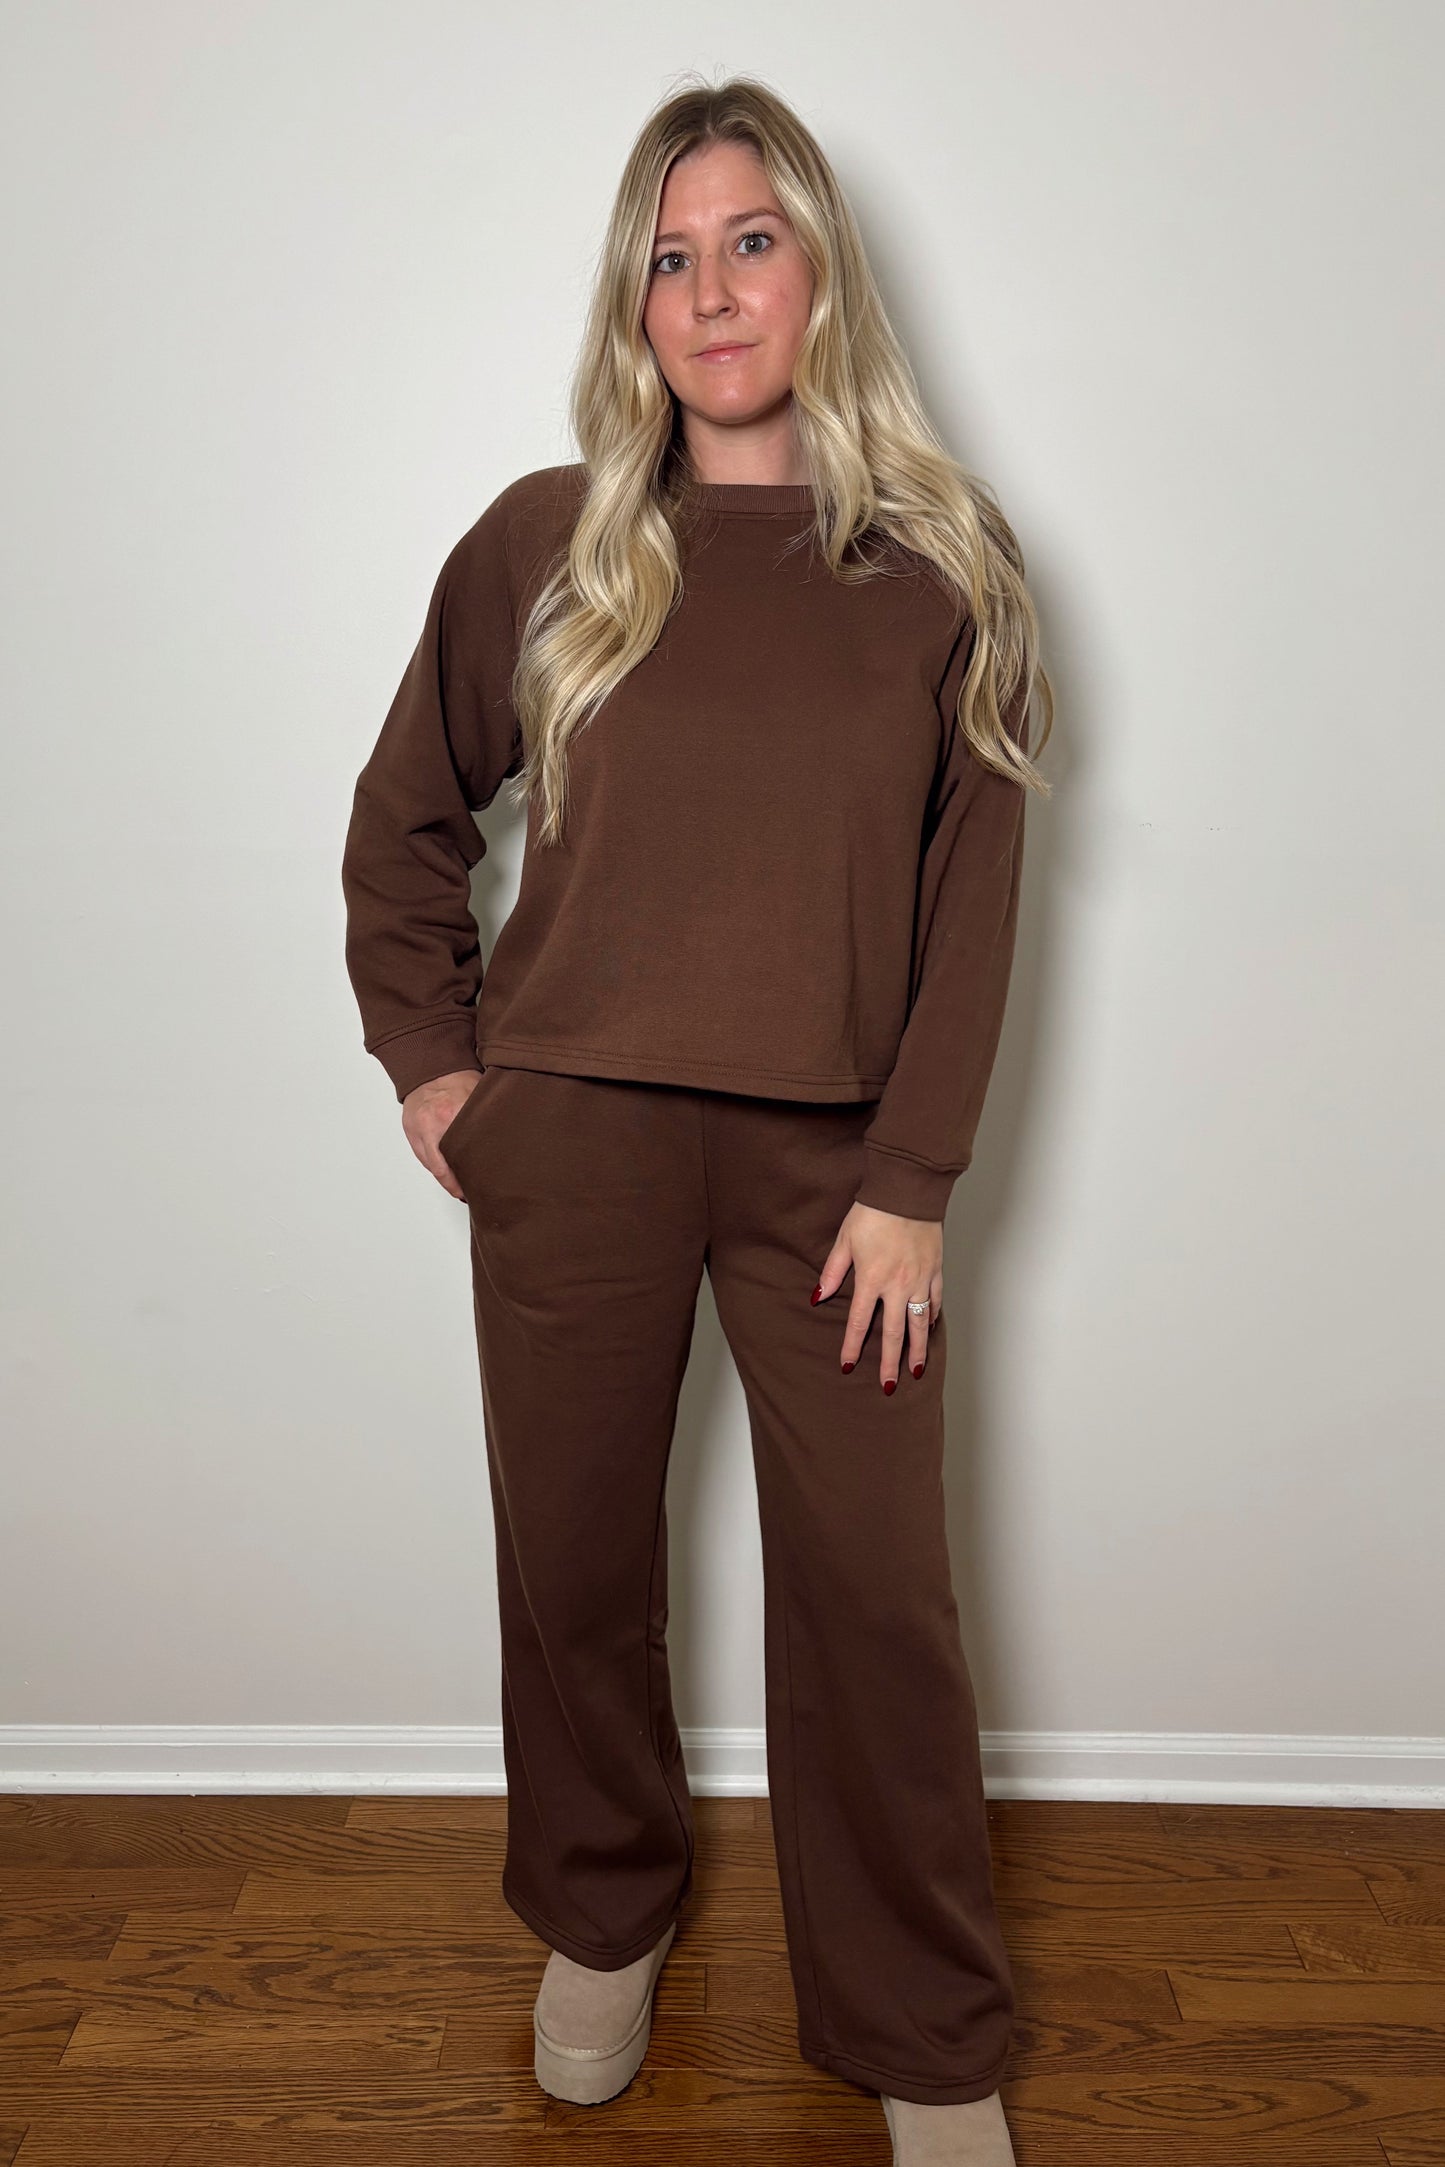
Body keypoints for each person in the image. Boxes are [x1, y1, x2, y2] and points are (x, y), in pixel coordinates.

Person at [341, 73, 1051, 2167]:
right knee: (571, 1564)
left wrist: (914, 1177)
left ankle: (926, 2030)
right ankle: (601, 1913)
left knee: (876, 1598)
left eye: (751, 237)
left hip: (839, 1172)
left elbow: (974, 899)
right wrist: (442, 1061)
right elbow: (400, 828)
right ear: (631, 303)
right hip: (575, 1142)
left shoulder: (944, 565)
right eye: (671, 252)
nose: (712, 285)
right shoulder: (540, 546)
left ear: (822, 269)